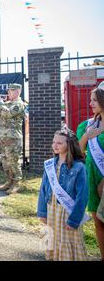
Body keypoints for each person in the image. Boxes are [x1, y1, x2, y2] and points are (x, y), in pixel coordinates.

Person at [37, 129, 88, 261]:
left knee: (68, 241)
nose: (55, 145)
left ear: (69, 145)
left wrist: (74, 220)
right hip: (51, 210)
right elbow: (43, 189)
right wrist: (42, 212)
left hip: (67, 212)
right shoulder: (49, 165)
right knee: (51, 240)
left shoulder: (79, 167)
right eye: (54, 142)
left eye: (59, 143)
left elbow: (82, 196)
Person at [77, 83, 104, 260]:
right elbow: (79, 151)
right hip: (92, 178)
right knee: (98, 221)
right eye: (90, 100)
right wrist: (88, 135)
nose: (90, 104)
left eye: (95, 100)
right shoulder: (87, 125)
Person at [0, 84, 26, 194]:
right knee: (5, 161)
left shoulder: (19, 104)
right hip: (4, 137)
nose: (8, 93)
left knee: (13, 162)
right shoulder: (8, 103)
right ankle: (9, 181)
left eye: (11, 91)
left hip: (13, 138)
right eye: (8, 91)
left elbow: (8, 114)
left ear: (17, 91)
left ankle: (17, 183)